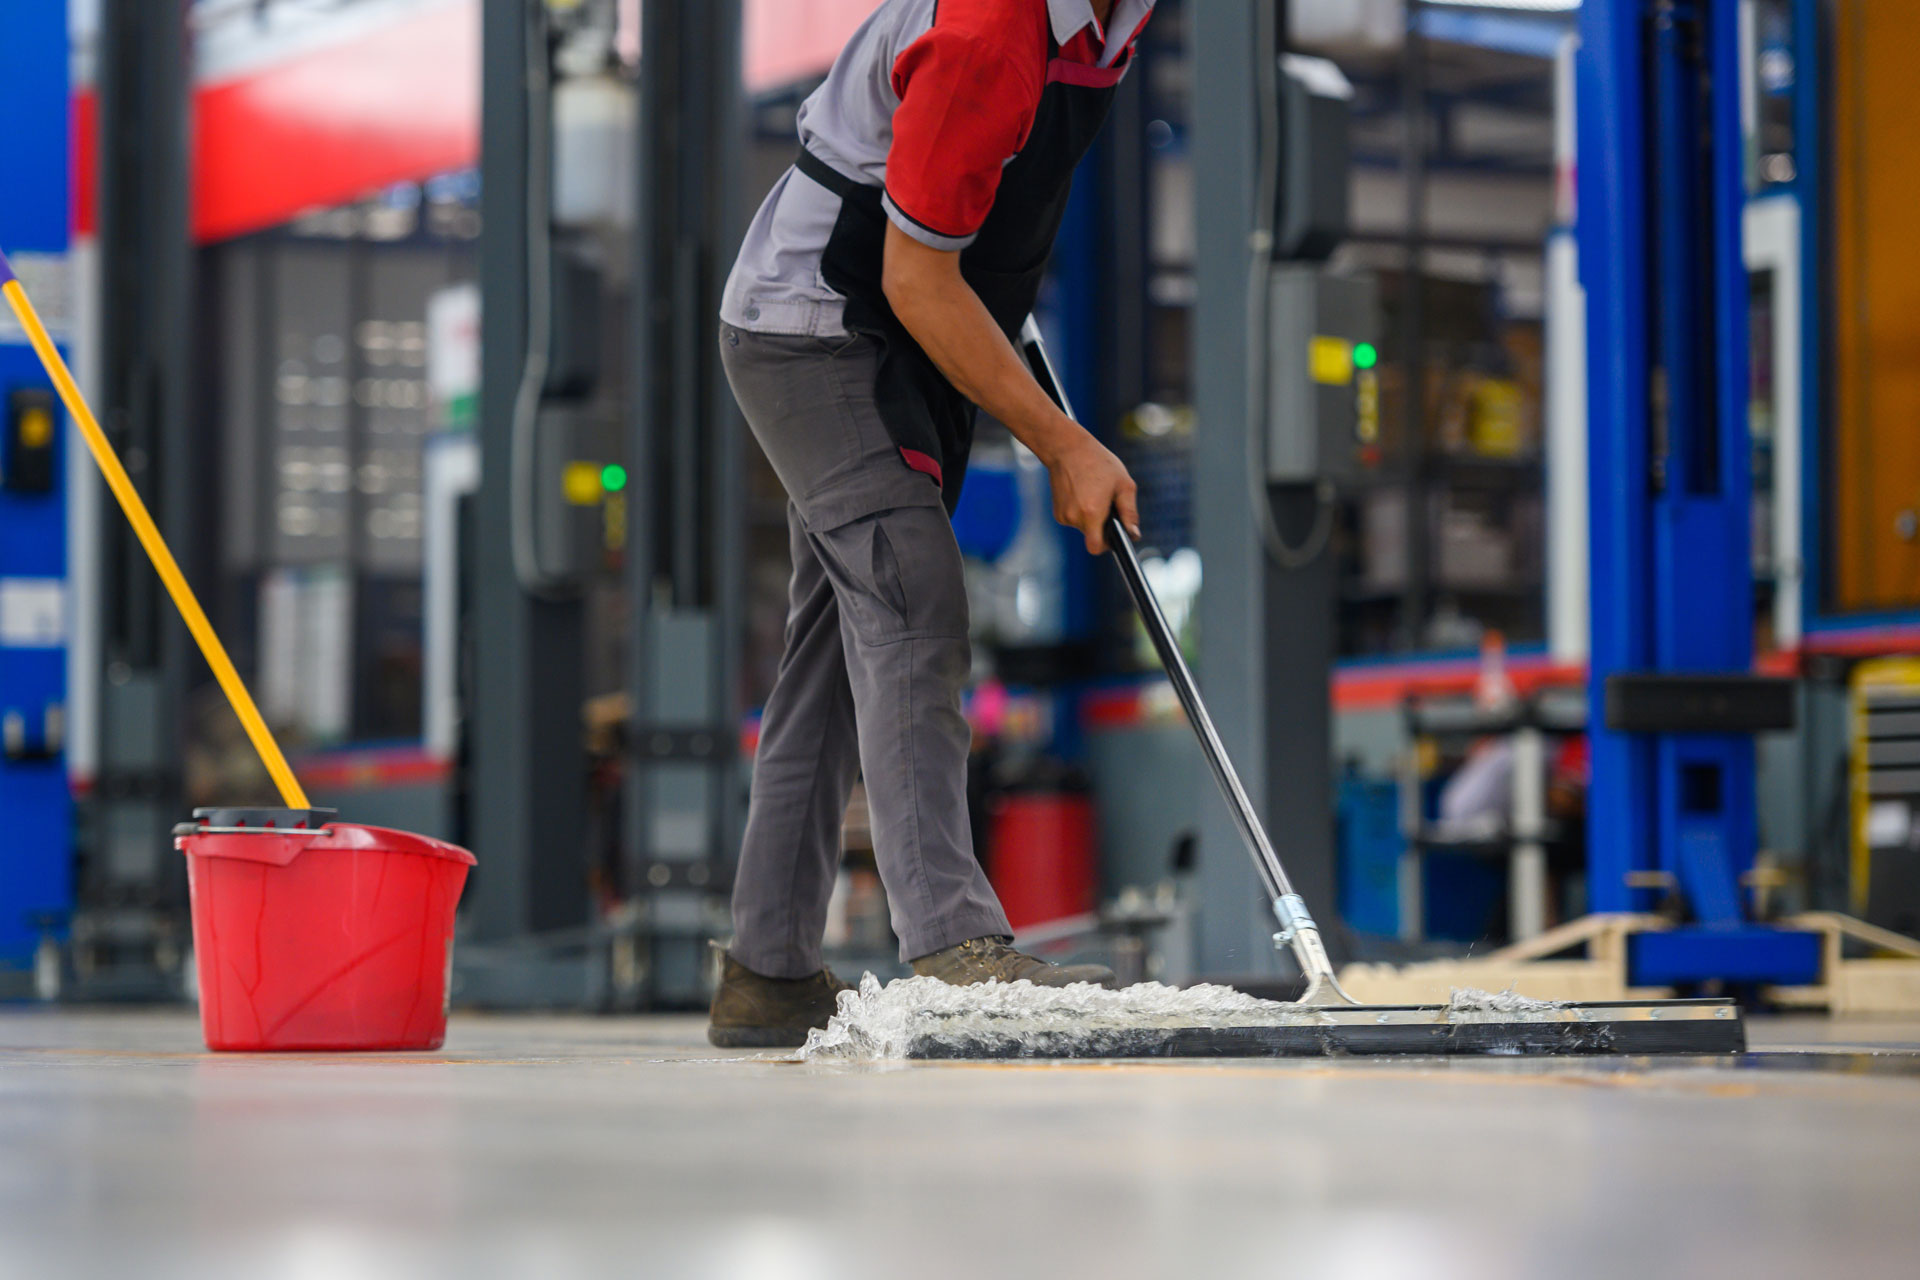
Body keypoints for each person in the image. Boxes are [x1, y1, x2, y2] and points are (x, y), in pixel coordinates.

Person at [709, 0, 1157, 1048]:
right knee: (911, 595)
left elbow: (991, 187)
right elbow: (915, 272)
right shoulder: (984, 30)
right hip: (816, 326)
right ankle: (955, 950)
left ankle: (767, 973)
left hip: (902, 319)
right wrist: (1063, 442)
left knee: (830, 658)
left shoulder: (1115, 19)